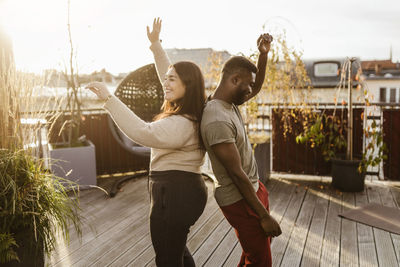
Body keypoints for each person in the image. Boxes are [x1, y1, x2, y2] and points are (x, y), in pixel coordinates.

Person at [86, 18, 207, 267]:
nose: (166, 82)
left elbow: (141, 131)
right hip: (179, 191)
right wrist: (156, 46)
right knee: (177, 252)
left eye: (173, 80)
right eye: (168, 78)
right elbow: (168, 72)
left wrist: (109, 99)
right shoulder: (191, 113)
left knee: (168, 257)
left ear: (188, 85)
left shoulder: (182, 123)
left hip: (174, 193)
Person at [200, 34, 282, 267]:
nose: (251, 91)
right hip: (240, 199)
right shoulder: (216, 119)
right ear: (235, 79)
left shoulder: (229, 102)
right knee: (260, 261)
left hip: (253, 190)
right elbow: (236, 174)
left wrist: (263, 56)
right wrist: (264, 216)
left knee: (253, 254)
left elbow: (254, 85)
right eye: (248, 86)